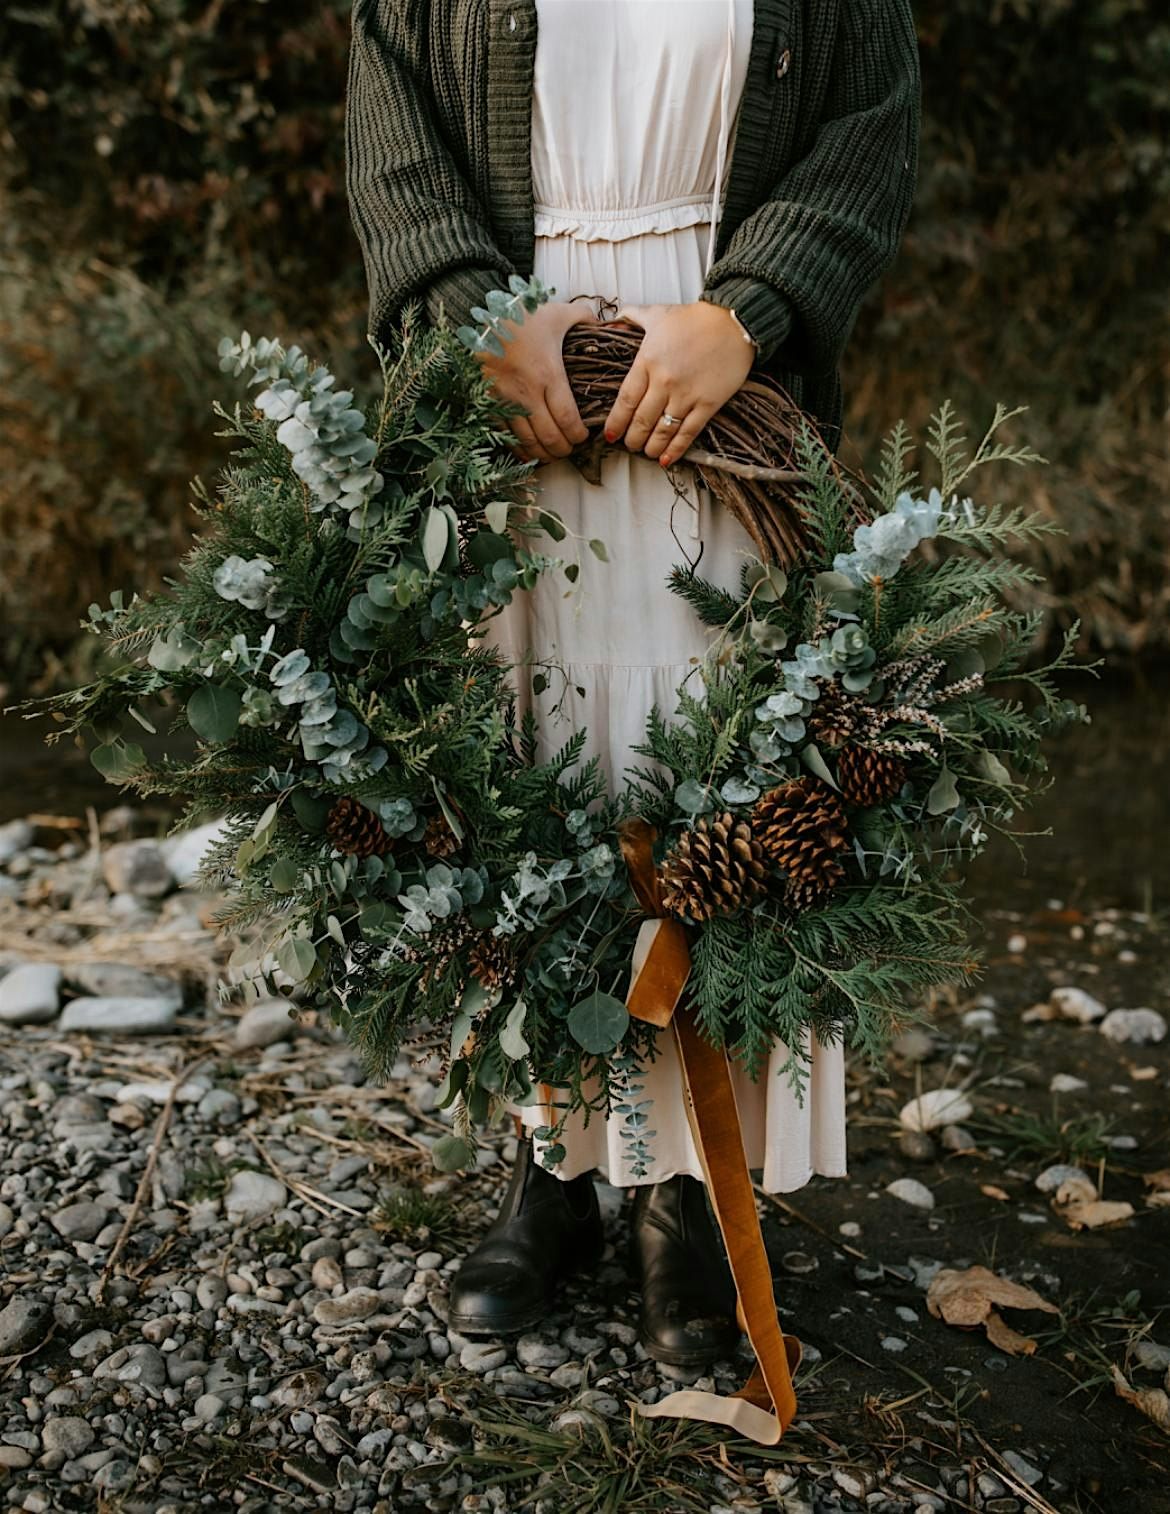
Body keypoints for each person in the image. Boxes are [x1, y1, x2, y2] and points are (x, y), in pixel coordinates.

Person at [346, 0, 921, 1368]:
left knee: (710, 771)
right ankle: (550, 1169)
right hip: (515, 381)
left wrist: (749, 315)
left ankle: (681, 1193)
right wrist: (466, 316)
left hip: (721, 386)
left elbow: (869, 131)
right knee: (527, 761)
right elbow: (392, 132)